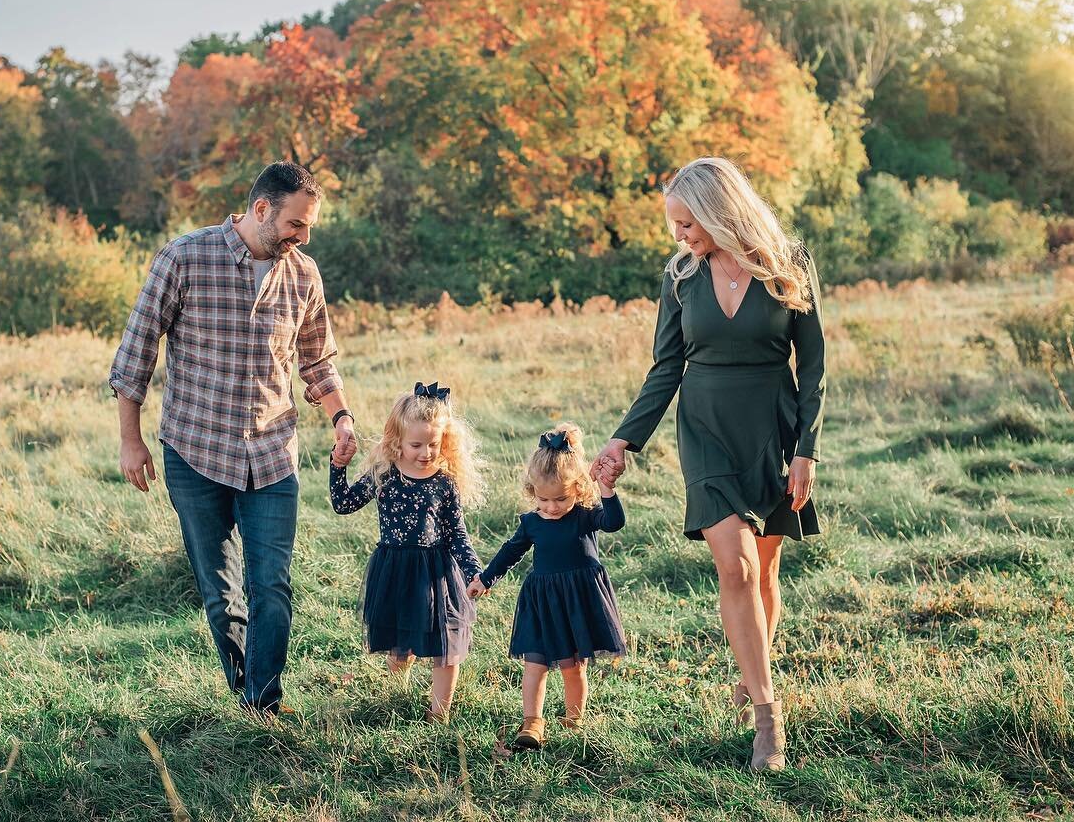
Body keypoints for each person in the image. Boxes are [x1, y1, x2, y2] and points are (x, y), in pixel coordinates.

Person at [592, 156, 825, 771]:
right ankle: (769, 717)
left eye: (689, 226)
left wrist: (806, 450)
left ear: (723, 213)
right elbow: (666, 366)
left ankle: (751, 686)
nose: (681, 239)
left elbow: (814, 368)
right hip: (706, 433)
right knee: (737, 566)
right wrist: (624, 441)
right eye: (675, 228)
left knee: (765, 573)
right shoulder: (680, 279)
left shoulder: (787, 264)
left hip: (771, 428)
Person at [108, 161, 356, 715]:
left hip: (272, 456)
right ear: (262, 209)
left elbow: (318, 361)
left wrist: (341, 418)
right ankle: (247, 692)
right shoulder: (185, 258)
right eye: (296, 224)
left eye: (309, 227)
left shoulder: (303, 274)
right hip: (195, 454)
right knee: (222, 597)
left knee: (272, 588)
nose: (303, 237)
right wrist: (131, 440)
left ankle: (263, 703)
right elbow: (135, 354)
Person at [329, 382, 485, 722]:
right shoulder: (384, 475)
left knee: (446, 645)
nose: (426, 452)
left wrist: (474, 571)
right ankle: (396, 696)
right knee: (402, 644)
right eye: (416, 444)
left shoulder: (445, 482)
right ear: (396, 441)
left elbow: (456, 532)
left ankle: (438, 713)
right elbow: (343, 504)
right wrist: (337, 466)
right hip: (396, 571)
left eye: (433, 443)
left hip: (437, 572)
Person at [469, 424, 627, 750]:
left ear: (579, 488)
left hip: (577, 601)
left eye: (561, 498)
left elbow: (614, 523)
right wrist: (486, 578)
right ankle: (532, 723)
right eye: (543, 499)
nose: (552, 507)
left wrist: (607, 490)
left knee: (572, 666)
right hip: (542, 601)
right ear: (532, 492)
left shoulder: (585, 515)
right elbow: (510, 552)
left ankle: (573, 720)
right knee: (535, 664)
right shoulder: (531, 522)